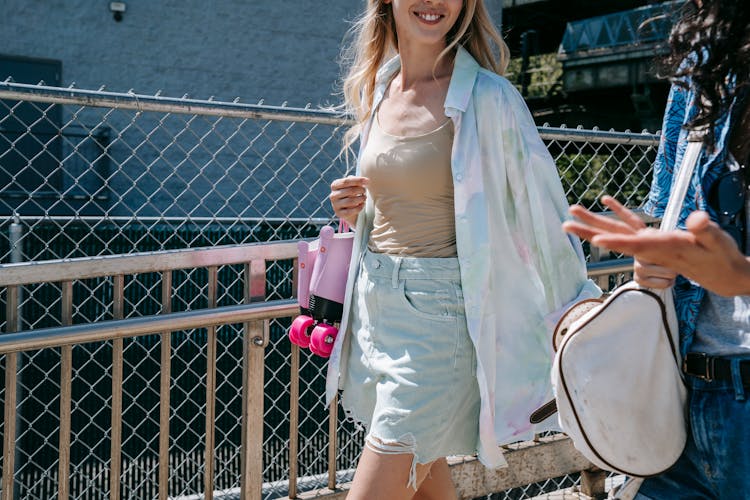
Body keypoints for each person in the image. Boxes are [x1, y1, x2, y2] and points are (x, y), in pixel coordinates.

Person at [324, 1, 600, 498]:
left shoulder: (488, 98)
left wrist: (575, 315)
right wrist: (356, 212)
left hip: (441, 320)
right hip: (377, 311)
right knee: (429, 484)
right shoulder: (381, 86)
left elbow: (543, 216)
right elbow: (405, 205)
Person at [563, 0, 750, 497]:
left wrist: (743, 279)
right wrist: (654, 259)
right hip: (684, 392)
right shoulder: (700, 62)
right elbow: (671, 207)